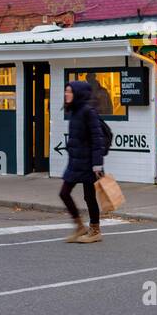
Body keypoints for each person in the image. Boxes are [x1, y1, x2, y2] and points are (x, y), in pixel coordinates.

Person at [60, 80, 106, 243]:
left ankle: (95, 230)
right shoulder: (74, 111)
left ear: (78, 94)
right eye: (66, 91)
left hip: (88, 163)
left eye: (69, 92)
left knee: (89, 197)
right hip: (75, 161)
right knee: (64, 193)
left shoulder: (88, 112)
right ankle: (80, 227)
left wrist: (97, 164)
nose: (66, 94)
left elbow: (97, 138)